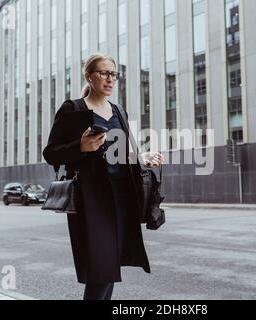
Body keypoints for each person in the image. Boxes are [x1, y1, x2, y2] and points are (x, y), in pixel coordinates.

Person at [43, 53, 165, 300]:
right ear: (89, 76)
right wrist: (80, 146)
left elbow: (123, 154)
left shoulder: (118, 111)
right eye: (104, 73)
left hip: (121, 197)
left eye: (114, 74)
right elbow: (50, 153)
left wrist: (141, 158)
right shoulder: (73, 109)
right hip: (91, 200)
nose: (110, 79)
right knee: (101, 268)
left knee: (109, 267)